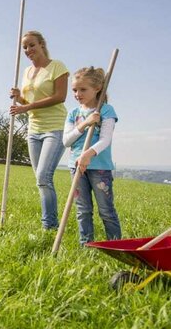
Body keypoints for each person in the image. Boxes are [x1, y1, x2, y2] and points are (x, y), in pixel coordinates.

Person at [8, 30, 69, 230]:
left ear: (42, 44)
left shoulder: (56, 66)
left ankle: (49, 226)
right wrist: (20, 99)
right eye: (24, 47)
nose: (28, 50)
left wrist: (27, 107)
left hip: (55, 127)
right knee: (40, 180)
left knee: (44, 176)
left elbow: (60, 96)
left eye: (31, 45)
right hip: (34, 130)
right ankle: (50, 223)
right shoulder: (26, 72)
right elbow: (30, 102)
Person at [62, 66, 122, 245]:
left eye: (82, 89)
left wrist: (89, 153)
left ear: (97, 88)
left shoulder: (105, 110)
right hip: (76, 166)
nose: (77, 93)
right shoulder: (74, 113)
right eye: (74, 90)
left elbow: (105, 140)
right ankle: (86, 245)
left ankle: (115, 245)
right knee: (83, 209)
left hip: (100, 168)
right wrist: (85, 124)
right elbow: (66, 141)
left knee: (106, 210)